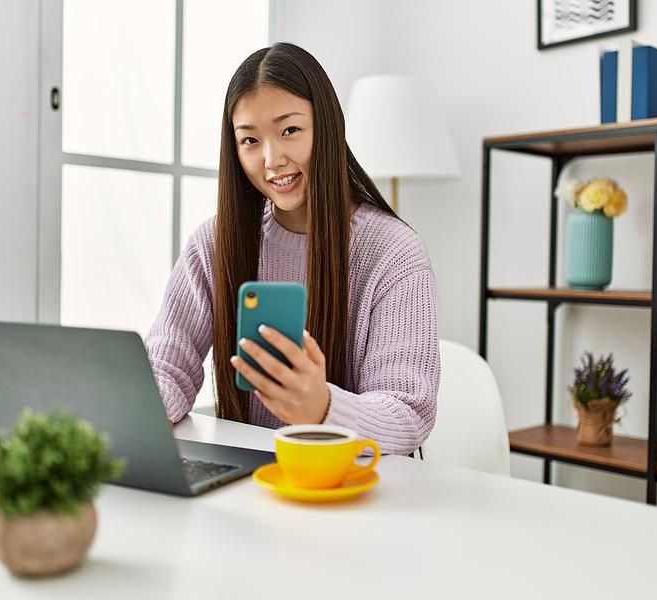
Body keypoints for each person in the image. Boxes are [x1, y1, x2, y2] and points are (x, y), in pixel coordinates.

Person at [145, 42, 439, 456]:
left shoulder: (394, 252)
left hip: (355, 493)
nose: (272, 159)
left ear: (328, 127)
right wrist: (142, 404)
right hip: (252, 485)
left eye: (290, 131)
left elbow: (408, 415)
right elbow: (168, 364)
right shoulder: (213, 243)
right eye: (249, 140)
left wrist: (322, 407)